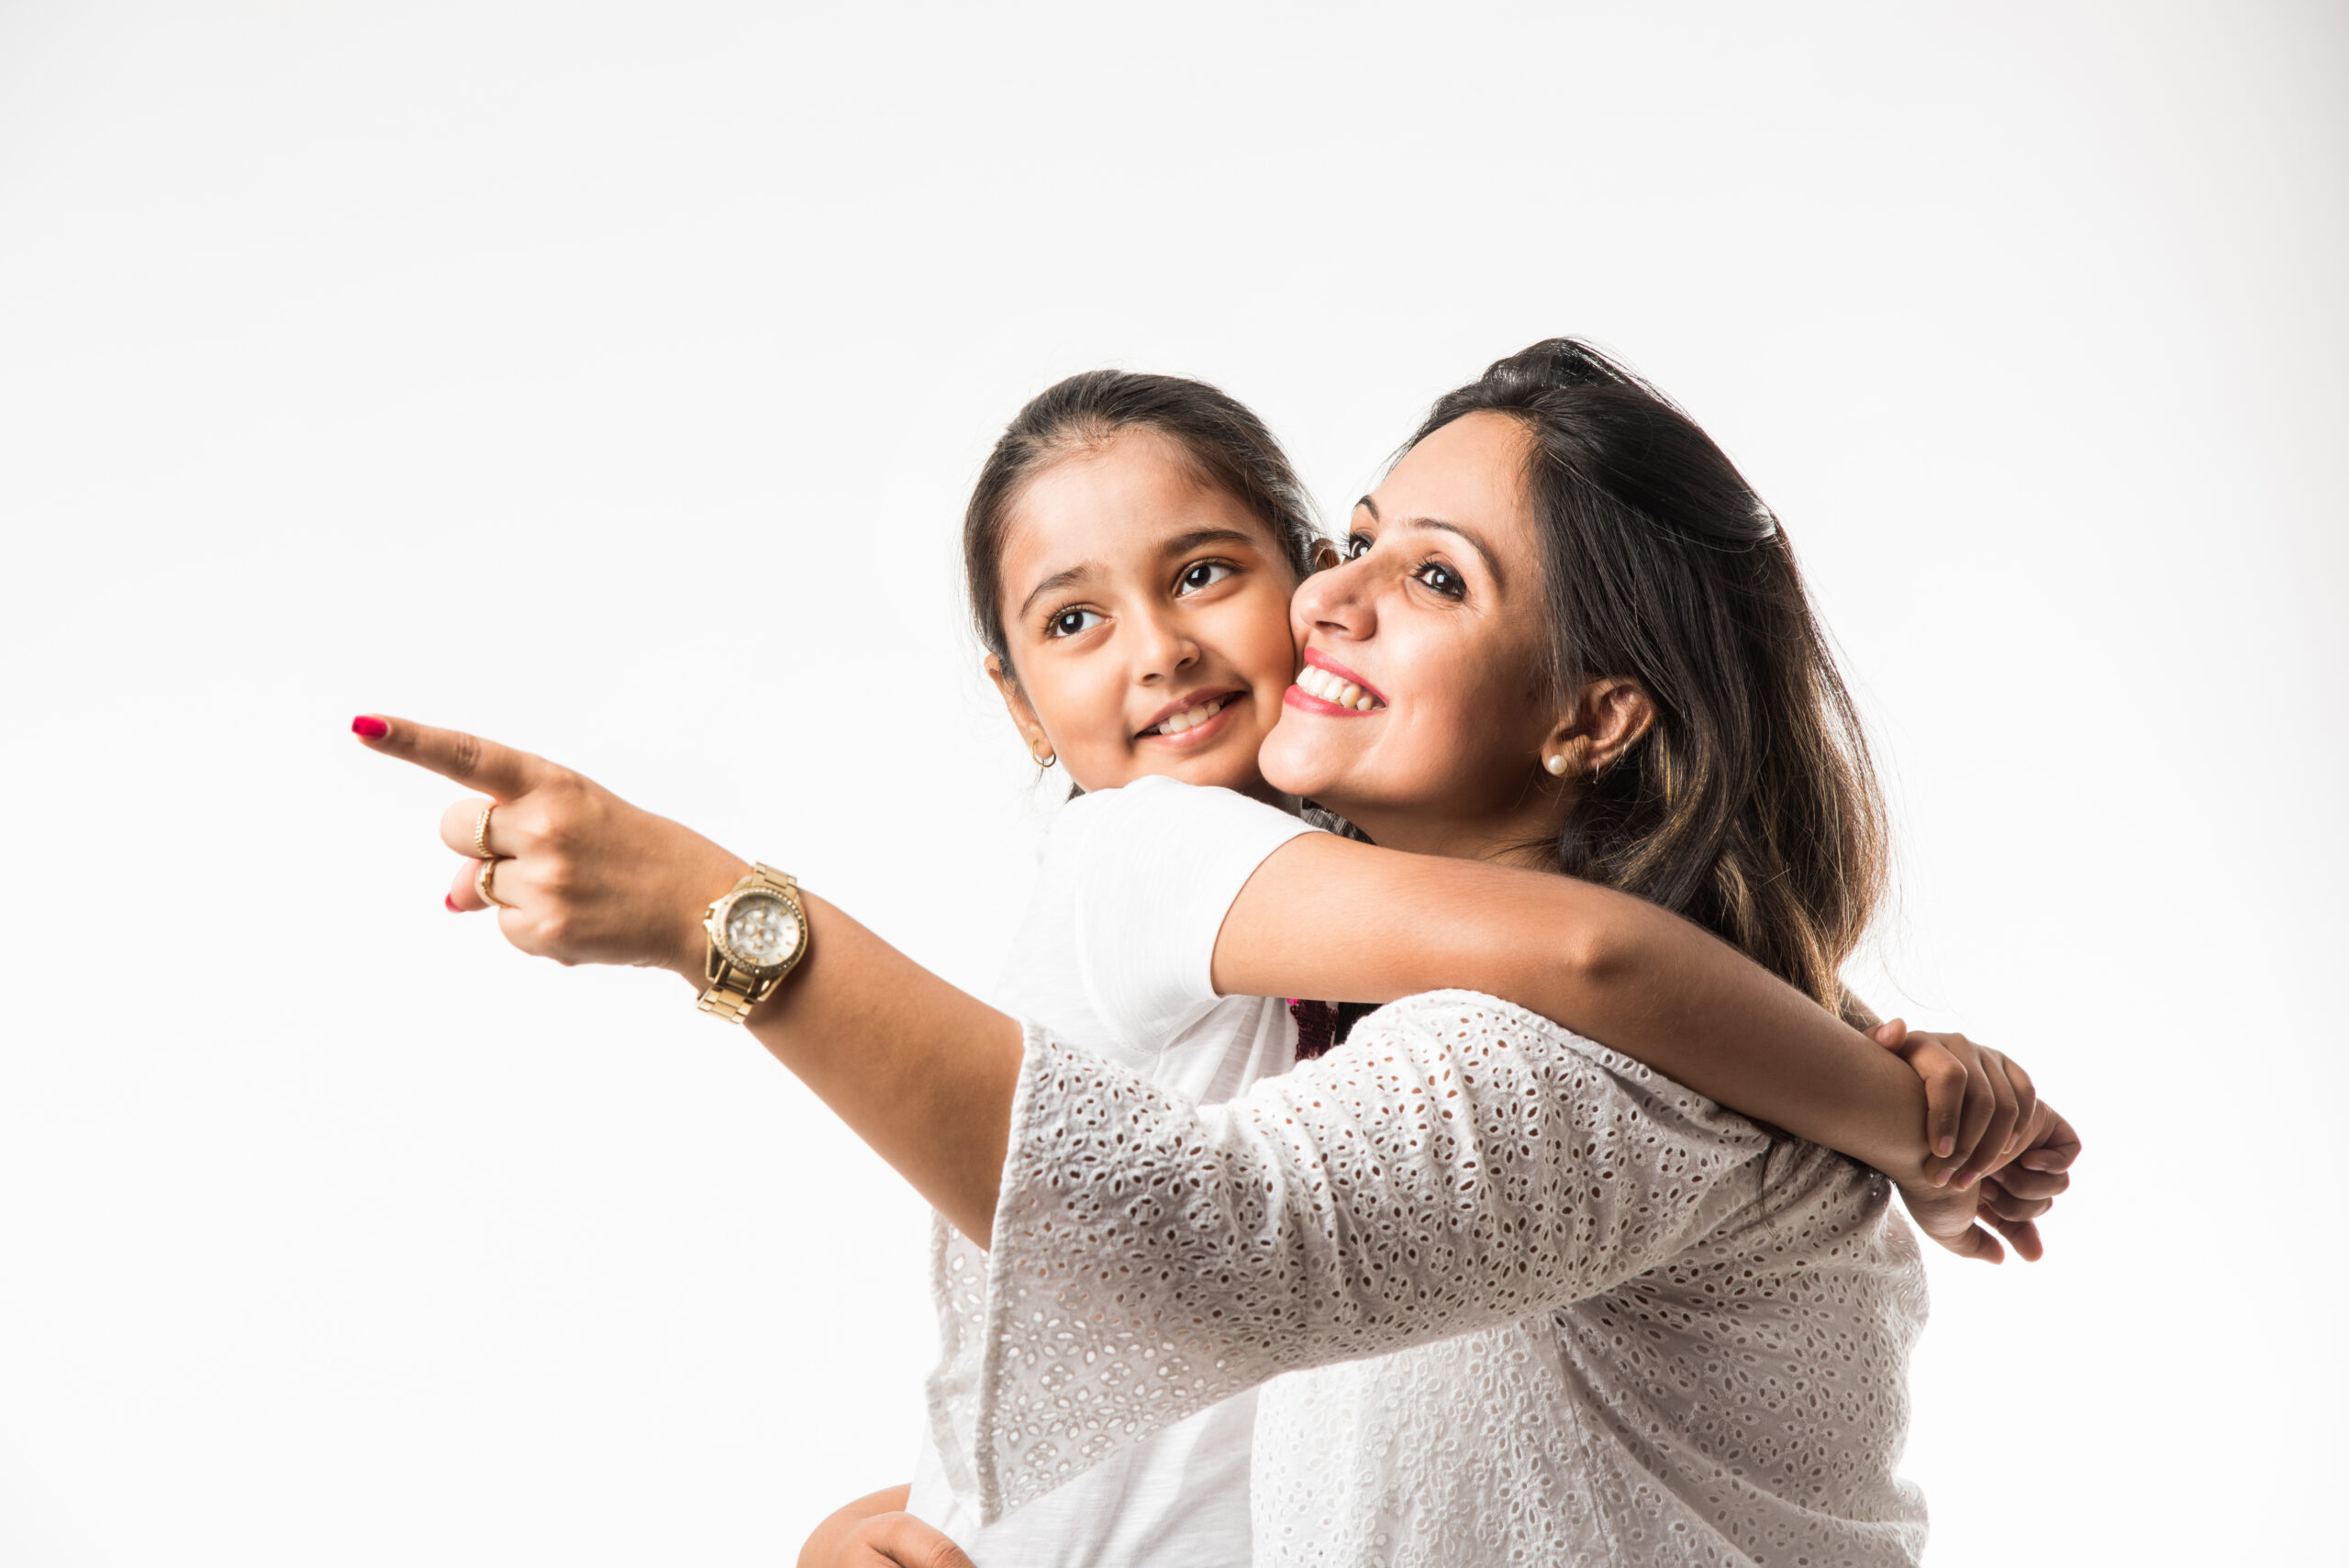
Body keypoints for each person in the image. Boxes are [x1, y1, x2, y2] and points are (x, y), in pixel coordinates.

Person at [355, 341, 2076, 1565]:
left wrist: (718, 917)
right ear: (1017, 701)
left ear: (1594, 714)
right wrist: (1882, 1095)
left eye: (1428, 576)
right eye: (1364, 541)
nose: (1330, 602)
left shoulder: (1543, 1053)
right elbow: (1598, 963)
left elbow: (1249, 1232)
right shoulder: (1163, 853)